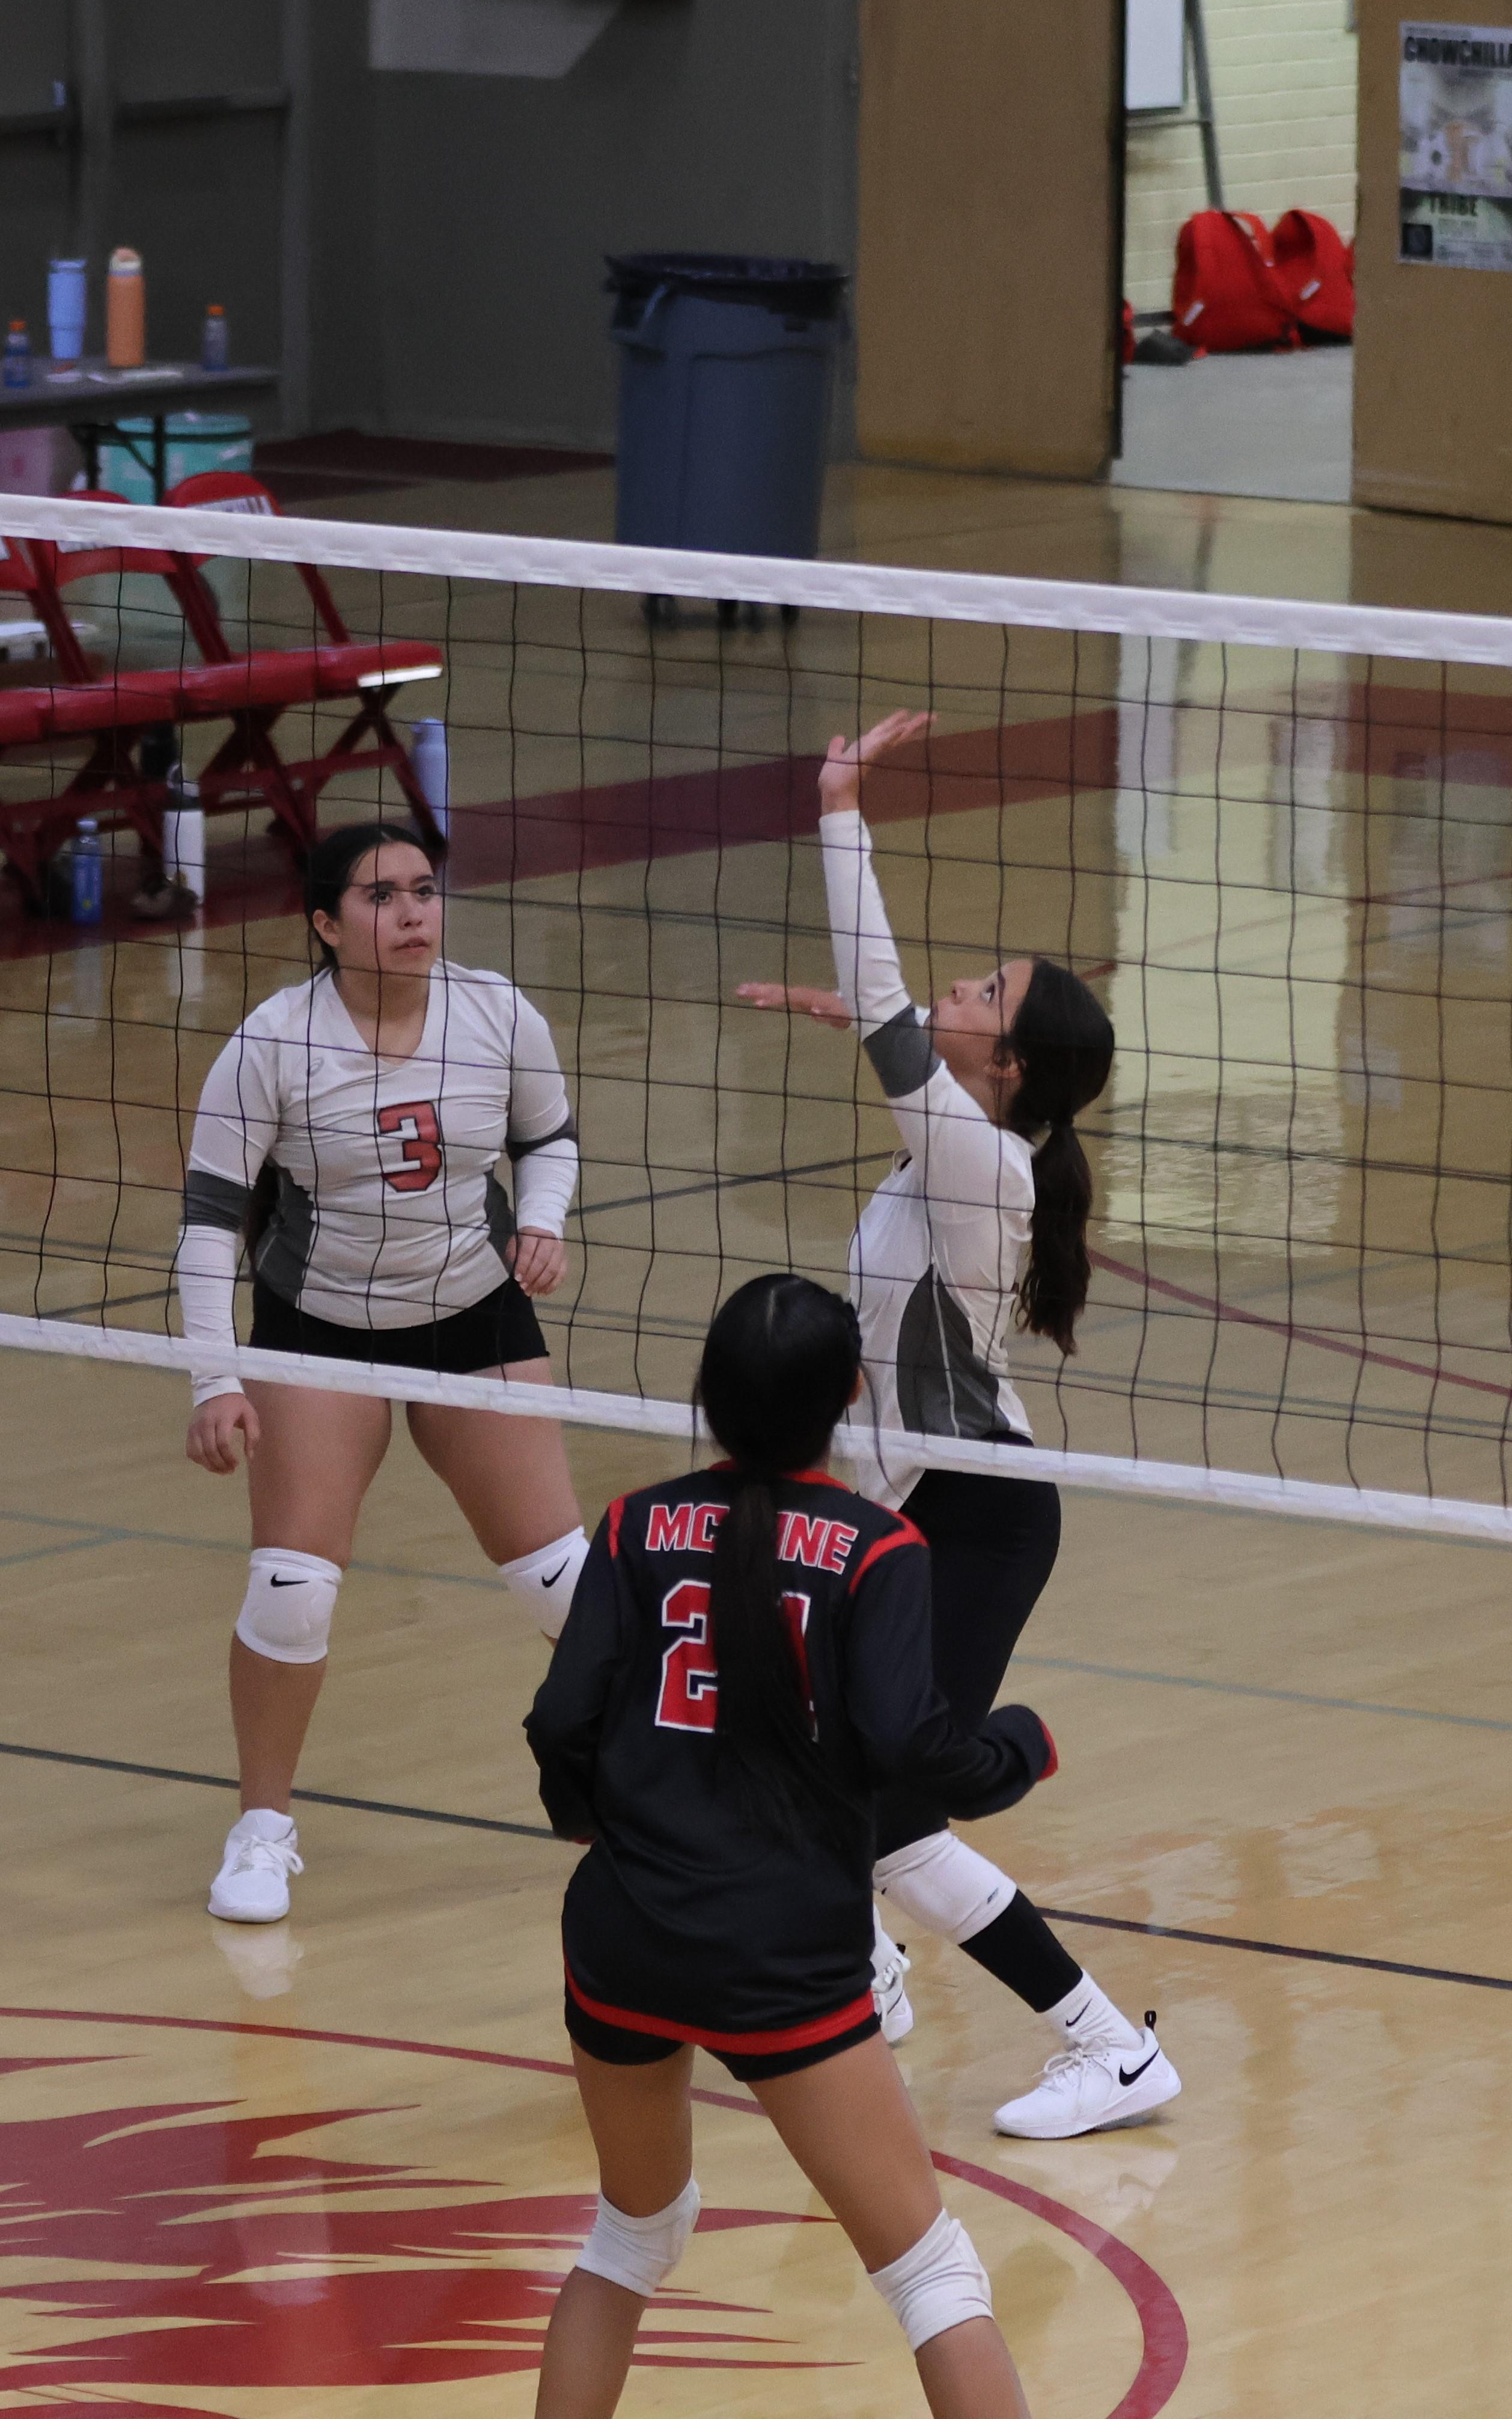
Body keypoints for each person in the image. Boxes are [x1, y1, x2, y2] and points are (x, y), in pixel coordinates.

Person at [737, 711, 1181, 2142]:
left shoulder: (986, 1164)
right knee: (819, 1768)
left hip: (969, 1512)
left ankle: (1106, 2046)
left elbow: (879, 1000)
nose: (958, 980)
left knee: (891, 1804)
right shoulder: (983, 1155)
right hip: (911, 1504)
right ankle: (867, 1956)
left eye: (985, 988)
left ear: (1009, 1069)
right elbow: (887, 1034)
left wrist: (839, 809)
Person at [525, 1274, 1051, 2419]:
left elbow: (560, 1721)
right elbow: (916, 1745)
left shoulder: (631, 1524)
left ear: (707, 1393)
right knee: (931, 2273)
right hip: (780, 1952)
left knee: (630, 2236)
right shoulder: (879, 1548)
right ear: (852, 1393)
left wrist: (608, 1831)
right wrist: (1018, 1750)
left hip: (624, 1931)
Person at [177, 818, 588, 1926]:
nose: (412, 913)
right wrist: (215, 1382)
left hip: (473, 1315)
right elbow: (212, 1222)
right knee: (294, 1590)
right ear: (324, 923)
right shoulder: (272, 1042)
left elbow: (549, 1137)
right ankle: (262, 1830)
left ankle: (685, 1804)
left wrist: (541, 1221)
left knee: (568, 1585)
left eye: (423, 890)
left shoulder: (497, 1010)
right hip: (320, 1329)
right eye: (379, 897)